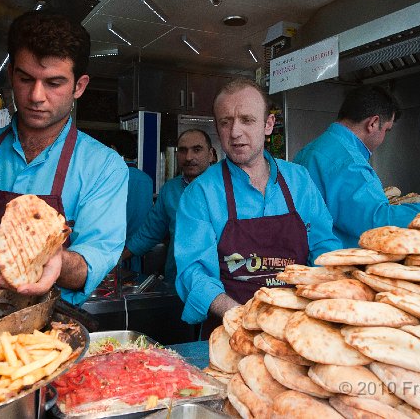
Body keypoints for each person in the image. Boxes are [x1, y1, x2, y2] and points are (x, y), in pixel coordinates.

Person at [0, 11, 129, 305]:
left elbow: (94, 259)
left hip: (48, 334)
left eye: (53, 83)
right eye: (26, 79)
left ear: (79, 86)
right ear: (11, 75)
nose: (36, 96)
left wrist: (55, 260)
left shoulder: (103, 167)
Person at [174, 78, 341, 331]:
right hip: (230, 329)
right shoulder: (200, 194)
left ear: (268, 124)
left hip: (298, 327)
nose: (235, 132)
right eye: (225, 122)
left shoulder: (299, 180)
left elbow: (324, 249)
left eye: (247, 120)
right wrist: (244, 318)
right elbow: (194, 274)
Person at [293, 85, 420, 249]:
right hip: (334, 269)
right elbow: (380, 222)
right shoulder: (349, 163)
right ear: (373, 123)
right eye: (387, 130)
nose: (383, 138)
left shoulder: (309, 151)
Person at [123, 128, 216, 284]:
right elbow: (150, 232)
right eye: (183, 150)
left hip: (217, 283)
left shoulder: (225, 188)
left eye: (197, 150)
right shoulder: (170, 189)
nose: (189, 157)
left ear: (211, 154)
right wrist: (115, 260)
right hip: (178, 281)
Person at [108, 129, 153, 271]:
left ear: (113, 149)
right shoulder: (146, 180)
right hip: (137, 253)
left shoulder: (111, 178)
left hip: (113, 253)